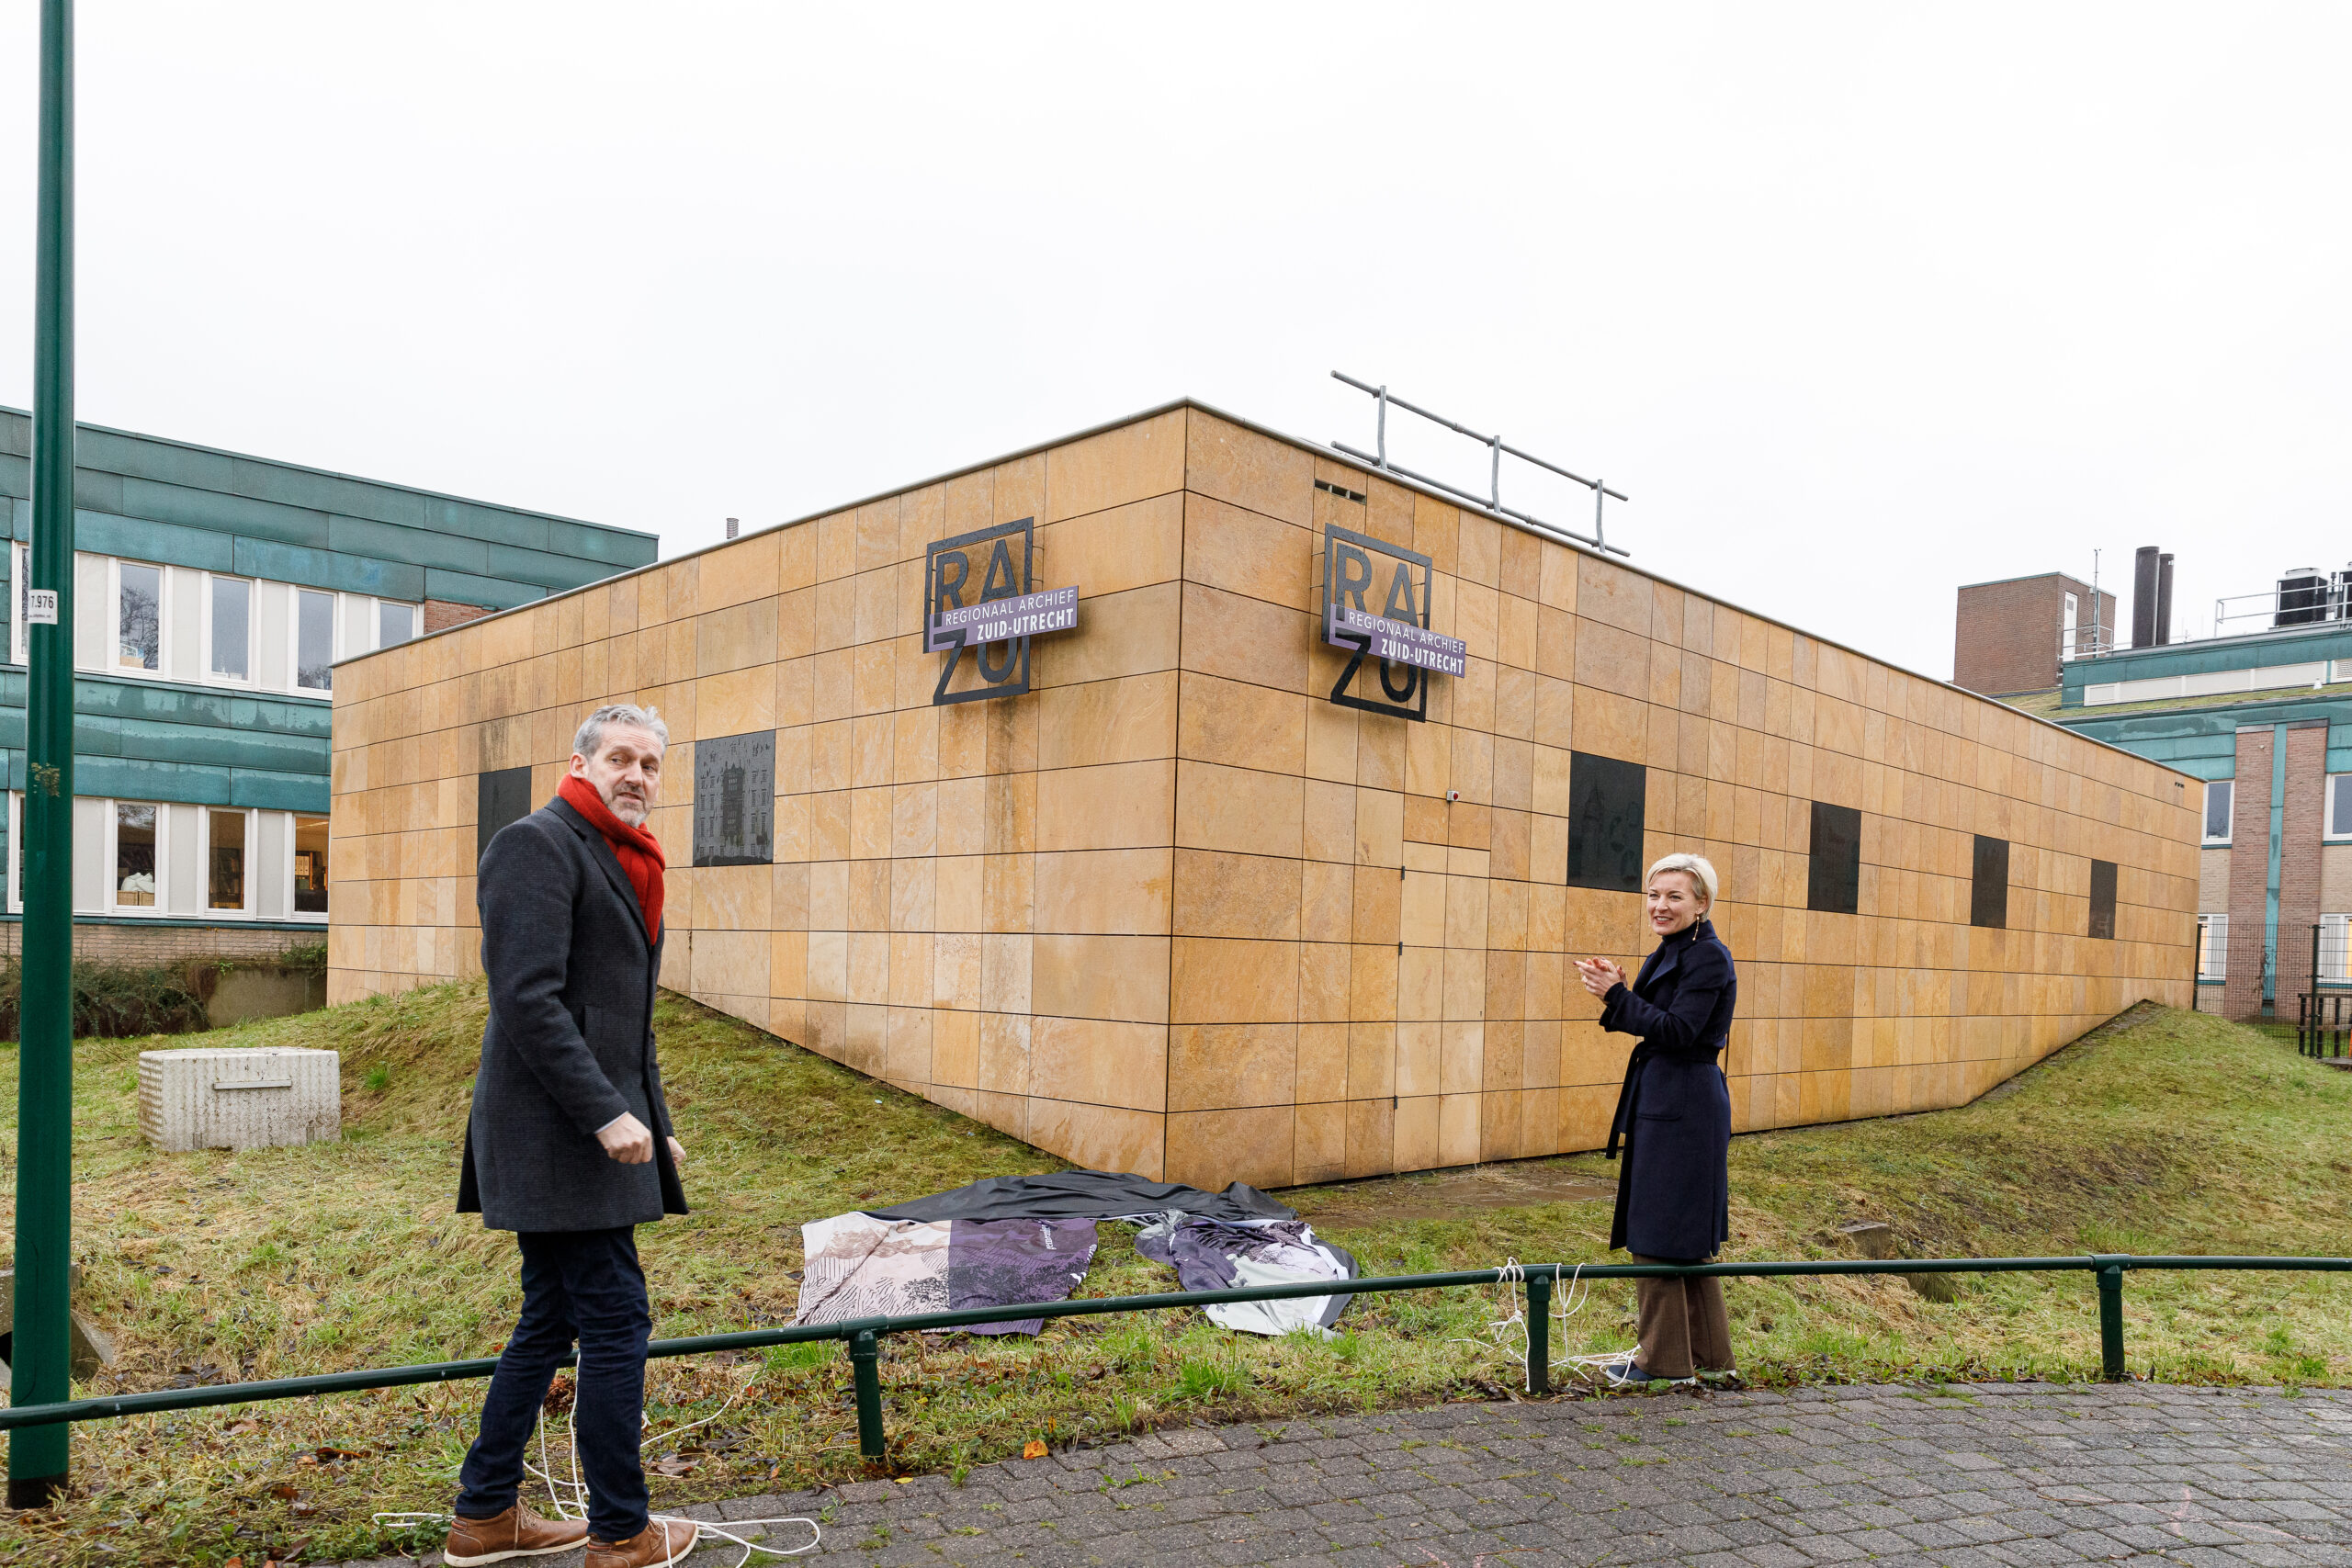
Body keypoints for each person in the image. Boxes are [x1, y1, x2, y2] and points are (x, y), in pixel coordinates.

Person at [443, 704, 696, 1568]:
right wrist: (604, 1111)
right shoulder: (536, 844)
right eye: (621, 758)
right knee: (618, 1317)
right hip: (556, 1136)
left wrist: (652, 1123)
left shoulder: (626, 859)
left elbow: (617, 1016)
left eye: (651, 764)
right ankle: (623, 1532)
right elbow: (528, 999)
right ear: (581, 763)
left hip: (586, 1133)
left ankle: (484, 1516)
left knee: (549, 1320)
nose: (637, 775)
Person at [1575, 853, 1737, 1390]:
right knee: (1682, 1235)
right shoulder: (1674, 950)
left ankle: (1662, 1362)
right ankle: (1710, 1358)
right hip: (1670, 1097)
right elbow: (1648, 1015)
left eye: (1674, 897)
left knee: (1661, 1232)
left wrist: (1619, 997)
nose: (1660, 906)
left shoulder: (1708, 957)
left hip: (1684, 1103)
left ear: (1702, 904)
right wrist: (1619, 986)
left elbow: (1679, 1030)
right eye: (1653, 895)